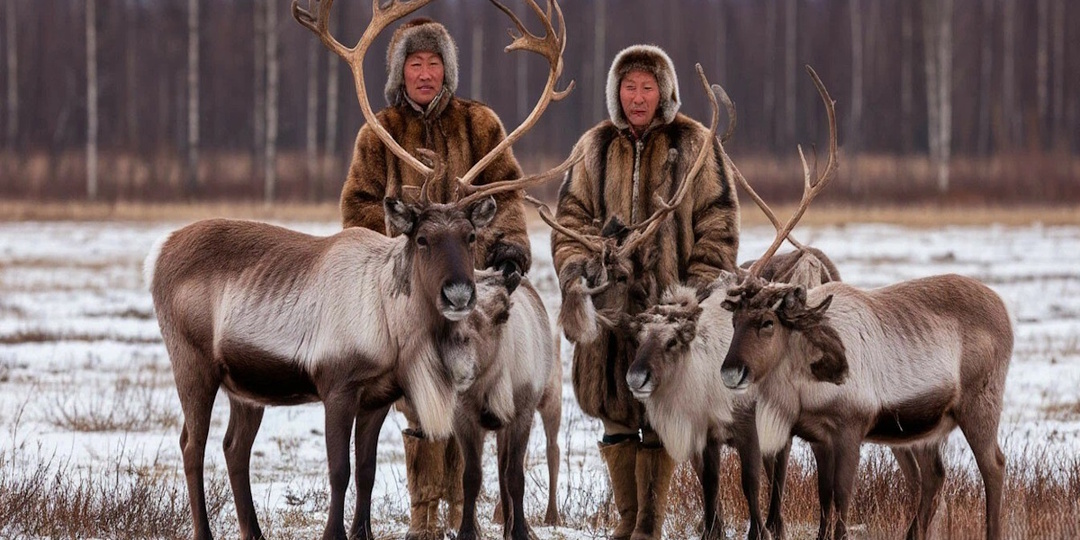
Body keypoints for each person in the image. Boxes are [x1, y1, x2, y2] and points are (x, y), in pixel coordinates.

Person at [340, 17, 531, 540]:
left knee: (467, 398)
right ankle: (425, 513)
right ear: (399, 72)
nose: (424, 74)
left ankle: (460, 510)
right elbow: (358, 205)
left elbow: (508, 194)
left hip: (469, 286)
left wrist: (509, 250)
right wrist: (404, 245)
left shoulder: (481, 125)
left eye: (433, 63)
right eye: (414, 63)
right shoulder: (378, 133)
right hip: (406, 295)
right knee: (416, 397)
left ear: (448, 69)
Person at [552, 44, 740, 540]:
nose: (638, 97)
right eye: (629, 86)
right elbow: (568, 221)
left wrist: (693, 294)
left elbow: (719, 223)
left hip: (668, 315)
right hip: (611, 311)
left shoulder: (697, 144)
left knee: (662, 413)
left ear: (665, 91)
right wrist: (581, 273)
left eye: (647, 86)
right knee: (615, 411)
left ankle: (651, 525)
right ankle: (629, 519)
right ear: (617, 91)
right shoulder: (593, 147)